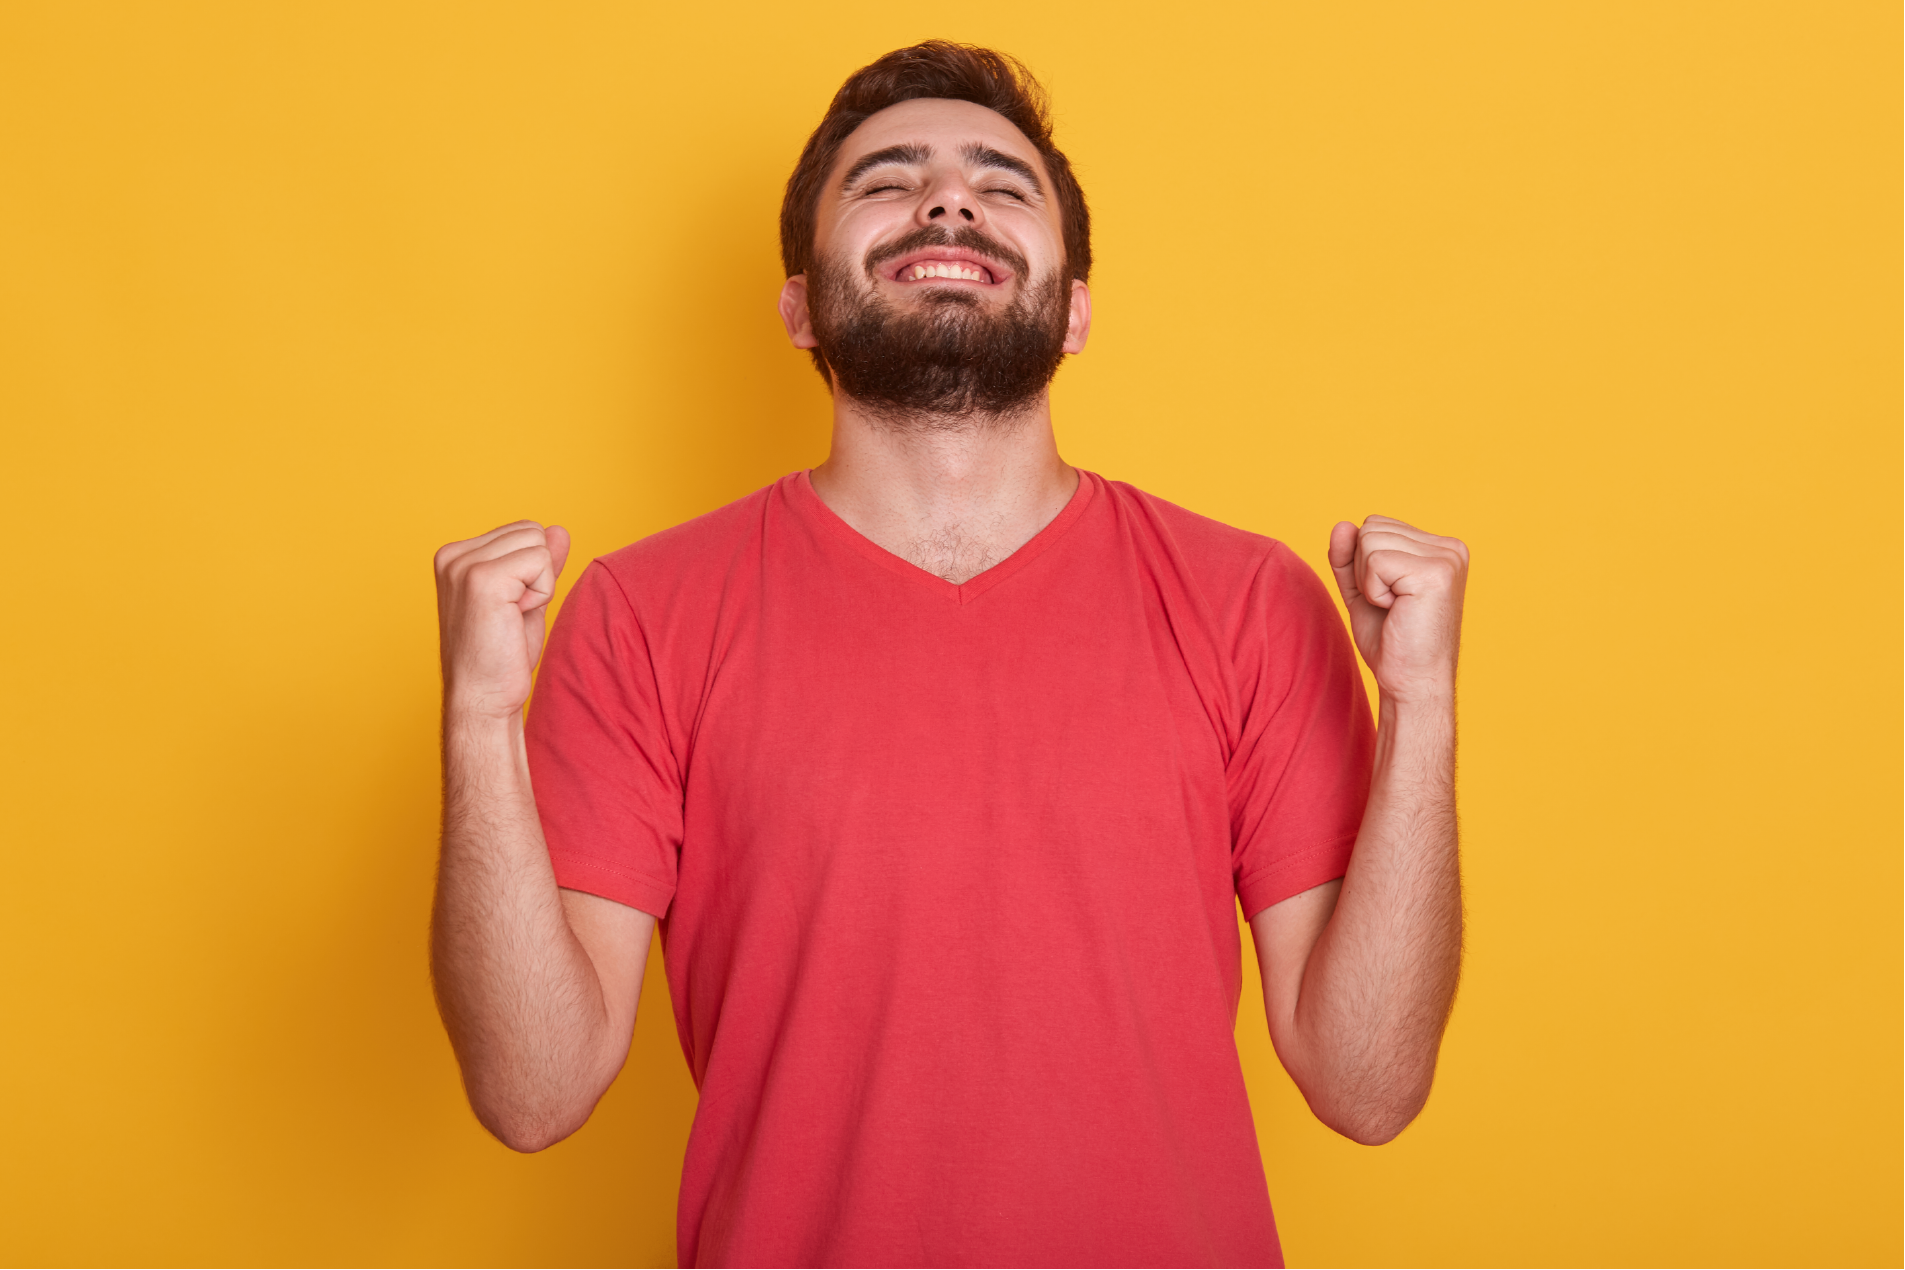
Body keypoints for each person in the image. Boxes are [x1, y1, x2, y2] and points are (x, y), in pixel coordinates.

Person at [429, 41, 1467, 1269]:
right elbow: (532, 1091)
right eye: (885, 178)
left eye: (1000, 182)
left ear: (1075, 307)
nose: (946, 198)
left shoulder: (1249, 602)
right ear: (801, 300)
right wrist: (481, 719)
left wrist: (1423, 705)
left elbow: (1369, 1083)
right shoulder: (642, 612)